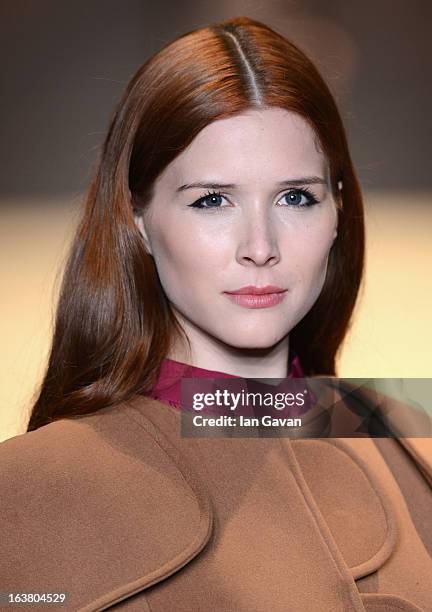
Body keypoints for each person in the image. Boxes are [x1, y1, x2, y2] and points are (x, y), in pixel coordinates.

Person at [1, 15, 431, 612]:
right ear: (138, 221)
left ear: (338, 211)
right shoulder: (28, 495)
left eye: (295, 197)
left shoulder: (414, 441)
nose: (260, 245)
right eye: (212, 200)